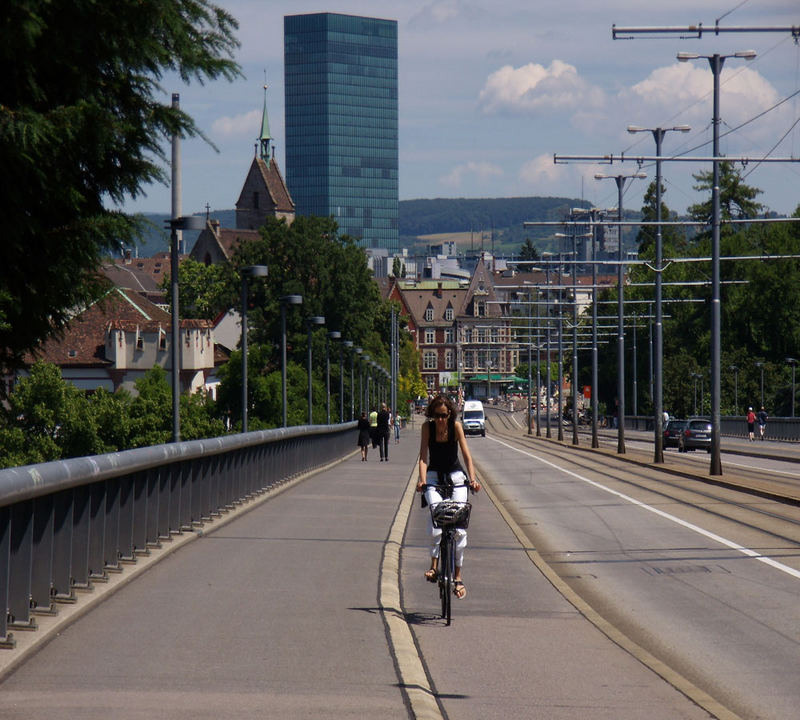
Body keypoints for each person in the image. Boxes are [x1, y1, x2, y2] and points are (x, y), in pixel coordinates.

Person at [415, 394, 481, 599]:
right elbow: (423, 457)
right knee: (436, 521)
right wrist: (422, 480)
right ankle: (434, 566)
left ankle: (458, 577)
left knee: (459, 528)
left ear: (450, 413)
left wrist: (473, 479)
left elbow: (467, 456)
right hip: (434, 475)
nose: (441, 420)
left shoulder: (456, 427)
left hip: (455, 475)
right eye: (437, 416)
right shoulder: (427, 428)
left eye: (443, 415)